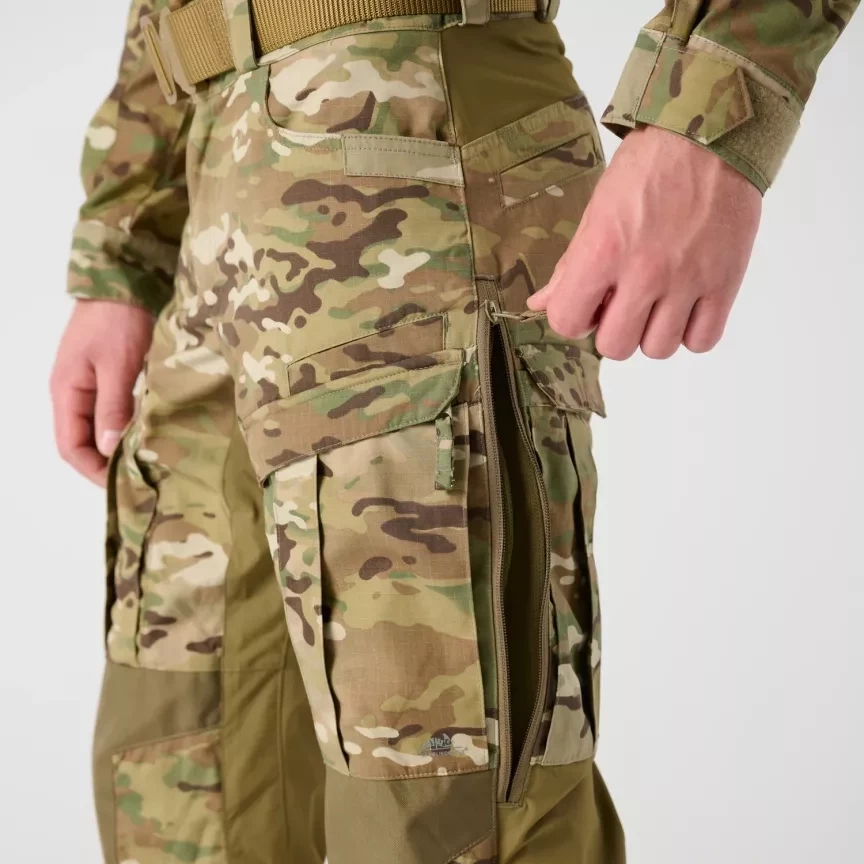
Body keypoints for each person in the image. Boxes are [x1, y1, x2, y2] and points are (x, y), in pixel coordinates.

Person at [51, 1, 858, 862]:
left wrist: (708, 114)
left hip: (418, 145)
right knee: (182, 777)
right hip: (205, 205)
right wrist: (122, 249)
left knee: (440, 809)